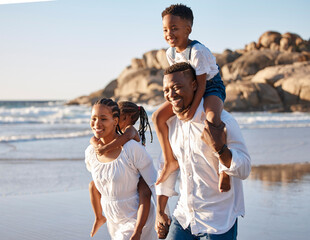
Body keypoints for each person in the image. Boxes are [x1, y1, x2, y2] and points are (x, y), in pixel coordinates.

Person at [155, 62, 251, 240]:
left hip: (218, 222)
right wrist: (161, 211)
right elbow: (167, 167)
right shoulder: (172, 124)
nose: (171, 94)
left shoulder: (222, 121)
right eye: (166, 90)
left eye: (176, 87)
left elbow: (244, 169)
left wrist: (220, 149)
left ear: (194, 85)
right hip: (184, 216)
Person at [152, 4, 230, 193]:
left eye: (174, 28)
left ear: (188, 30)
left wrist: (191, 112)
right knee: (157, 117)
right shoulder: (170, 53)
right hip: (187, 88)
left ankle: (225, 168)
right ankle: (170, 160)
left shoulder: (197, 51)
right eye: (165, 29)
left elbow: (202, 85)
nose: (169, 33)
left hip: (211, 86)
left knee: (212, 119)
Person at [85, 98, 157, 240]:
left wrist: (162, 214)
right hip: (113, 216)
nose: (97, 123)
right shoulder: (91, 151)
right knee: (93, 184)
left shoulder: (130, 141)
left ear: (116, 120)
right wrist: (98, 146)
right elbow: (94, 140)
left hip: (135, 213)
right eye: (94, 118)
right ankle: (99, 217)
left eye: (104, 118)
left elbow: (152, 184)